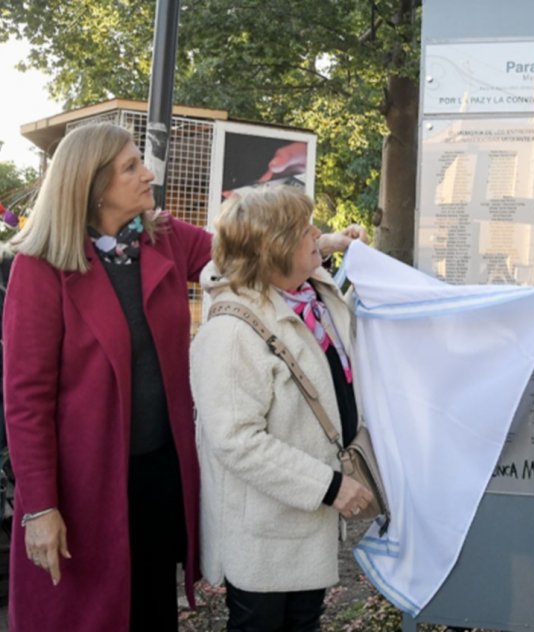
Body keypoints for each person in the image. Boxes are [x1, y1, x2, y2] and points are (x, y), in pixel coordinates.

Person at [1, 122, 358, 632]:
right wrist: (39, 507)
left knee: (150, 606)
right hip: (84, 486)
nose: (148, 173)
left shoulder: (163, 237)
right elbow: (25, 398)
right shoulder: (40, 267)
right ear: (94, 185)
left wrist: (327, 241)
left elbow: (252, 247)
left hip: (159, 472)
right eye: (131, 167)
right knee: (86, 613)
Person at [190, 185, 375, 632]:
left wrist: (338, 247)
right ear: (274, 249)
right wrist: (331, 486)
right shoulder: (232, 334)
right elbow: (236, 441)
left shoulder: (307, 296)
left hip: (301, 525)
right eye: (304, 229)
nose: (318, 233)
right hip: (264, 538)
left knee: (303, 622)